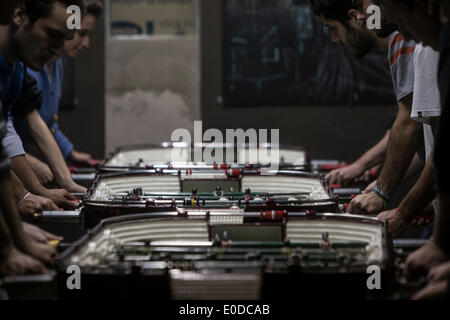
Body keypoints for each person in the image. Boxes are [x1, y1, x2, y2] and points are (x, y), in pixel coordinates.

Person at [310, 0, 424, 218]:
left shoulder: (404, 43)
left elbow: (410, 124)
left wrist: (384, 192)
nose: (334, 39)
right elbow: (422, 136)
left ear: (355, 17)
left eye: (333, 29)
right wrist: (372, 174)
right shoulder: (399, 44)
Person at [14, 0, 103, 183]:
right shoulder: (26, 61)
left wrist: (70, 154)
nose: (85, 43)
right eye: (82, 33)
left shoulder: (56, 64)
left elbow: (44, 122)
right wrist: (30, 164)